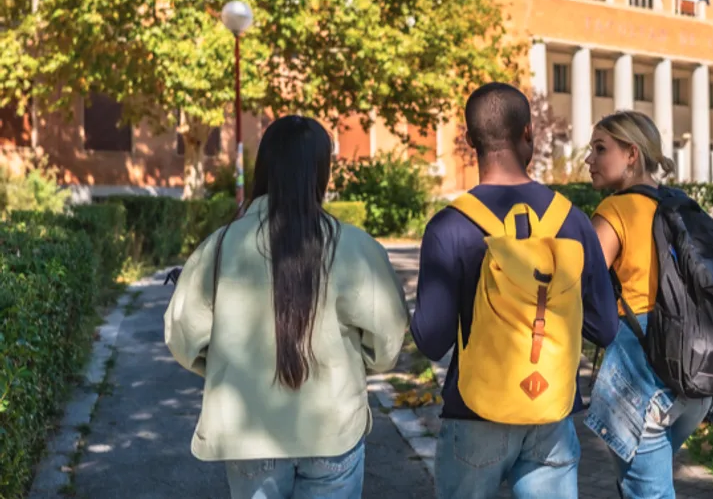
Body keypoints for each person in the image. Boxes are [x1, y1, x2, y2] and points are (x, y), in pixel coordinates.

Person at [164, 115, 410, 499]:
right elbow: (388, 342)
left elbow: (182, 336)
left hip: (250, 435)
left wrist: (219, 366)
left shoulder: (220, 244)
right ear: (322, 171)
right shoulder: (355, 247)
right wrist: (361, 361)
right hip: (333, 429)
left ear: (264, 167)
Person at [411, 82, 619, 499]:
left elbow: (432, 342)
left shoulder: (449, 226)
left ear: (471, 142)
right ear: (529, 133)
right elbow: (605, 328)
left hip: (473, 413)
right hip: (550, 413)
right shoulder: (572, 222)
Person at [582, 110, 713, 498]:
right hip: (694, 373)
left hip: (643, 373)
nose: (589, 160)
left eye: (600, 148)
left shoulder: (614, 211)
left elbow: (579, 286)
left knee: (648, 492)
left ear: (631, 154)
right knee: (641, 485)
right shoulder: (679, 205)